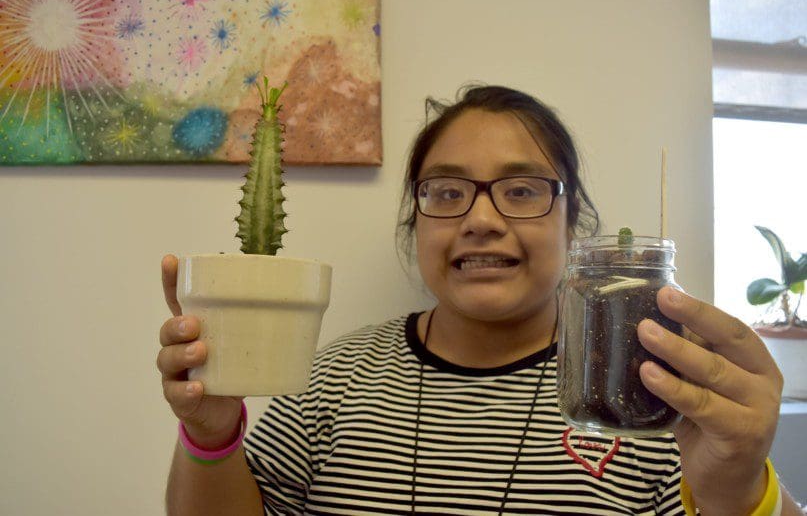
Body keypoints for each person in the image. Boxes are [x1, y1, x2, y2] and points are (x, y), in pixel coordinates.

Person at [158, 85, 801, 515]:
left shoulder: (651, 397)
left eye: (521, 190)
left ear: (572, 222)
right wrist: (209, 435)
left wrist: (738, 488)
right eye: (446, 191)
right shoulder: (334, 378)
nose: (482, 220)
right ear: (419, 220)